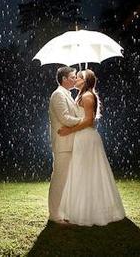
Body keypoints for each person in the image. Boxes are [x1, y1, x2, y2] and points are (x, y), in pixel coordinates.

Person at [58, 69, 125, 226]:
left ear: (85, 81)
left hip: (87, 137)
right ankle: (81, 210)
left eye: (79, 77)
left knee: (88, 172)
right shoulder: (81, 95)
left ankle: (89, 213)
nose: (75, 80)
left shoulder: (87, 96)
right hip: (82, 137)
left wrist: (69, 130)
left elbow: (88, 121)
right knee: (82, 171)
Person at [48, 66, 83, 224]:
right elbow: (64, 118)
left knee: (68, 181)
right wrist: (85, 122)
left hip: (71, 143)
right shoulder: (57, 95)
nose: (75, 79)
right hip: (63, 144)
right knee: (59, 180)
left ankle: (65, 211)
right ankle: (54, 215)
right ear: (64, 79)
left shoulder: (68, 95)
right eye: (73, 76)